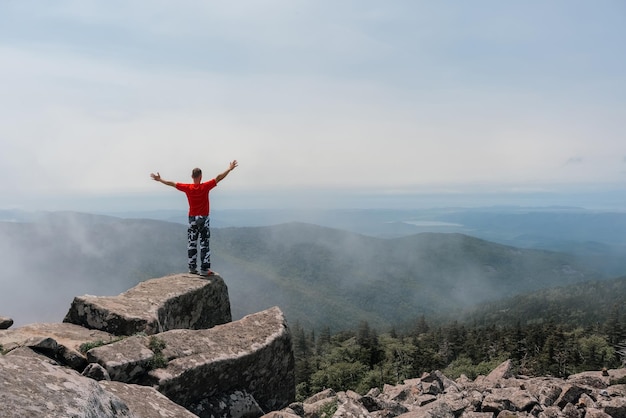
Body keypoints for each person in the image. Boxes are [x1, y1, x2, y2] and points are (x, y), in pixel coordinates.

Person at [150, 160, 238, 276]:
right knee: (204, 243)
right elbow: (219, 178)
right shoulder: (205, 187)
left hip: (192, 219)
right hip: (203, 218)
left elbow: (172, 183)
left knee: (192, 242)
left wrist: (160, 180)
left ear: (192, 176)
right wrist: (229, 169)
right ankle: (204, 270)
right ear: (201, 176)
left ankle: (192, 268)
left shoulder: (188, 188)